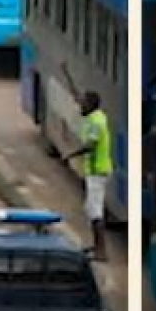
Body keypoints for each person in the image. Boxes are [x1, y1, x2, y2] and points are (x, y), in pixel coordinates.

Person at [62, 75, 113, 262]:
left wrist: (70, 154)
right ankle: (97, 246)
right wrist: (69, 78)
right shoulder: (96, 115)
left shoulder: (95, 123)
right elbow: (79, 99)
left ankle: (101, 251)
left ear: (90, 105)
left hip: (97, 171)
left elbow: (90, 145)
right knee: (91, 210)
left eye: (83, 104)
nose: (80, 106)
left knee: (95, 212)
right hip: (96, 171)